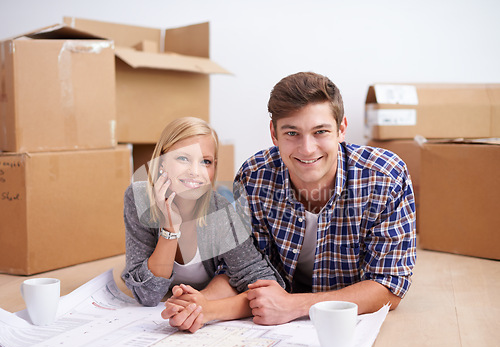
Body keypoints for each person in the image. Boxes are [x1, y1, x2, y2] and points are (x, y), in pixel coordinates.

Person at [166, 72, 417, 328]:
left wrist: (294, 305)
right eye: (292, 133)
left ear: (341, 129)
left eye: (320, 131)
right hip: (276, 302)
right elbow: (243, 269)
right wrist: (199, 305)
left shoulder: (385, 177)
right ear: (274, 135)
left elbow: (389, 285)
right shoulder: (255, 176)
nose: (307, 148)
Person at [121, 117, 284, 332]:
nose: (195, 171)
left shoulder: (221, 212)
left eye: (206, 162)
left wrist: (206, 306)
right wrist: (170, 228)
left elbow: (267, 285)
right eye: (183, 158)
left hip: (219, 204)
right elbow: (147, 295)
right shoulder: (138, 198)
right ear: (161, 163)